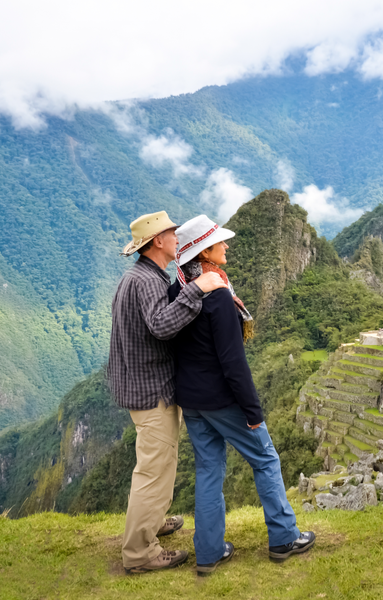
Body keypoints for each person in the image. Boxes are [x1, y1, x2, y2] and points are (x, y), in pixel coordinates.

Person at [168, 215, 315, 576]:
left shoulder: (178, 291)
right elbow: (233, 362)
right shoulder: (217, 297)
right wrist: (253, 410)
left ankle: (209, 551)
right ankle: (283, 537)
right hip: (222, 399)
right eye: (220, 242)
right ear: (204, 253)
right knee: (265, 458)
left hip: (192, 400)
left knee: (208, 470)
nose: (227, 246)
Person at [108, 211, 227, 574]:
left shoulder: (141, 276)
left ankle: (152, 520)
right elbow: (161, 326)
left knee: (157, 465)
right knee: (154, 471)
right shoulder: (146, 281)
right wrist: (197, 289)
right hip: (151, 390)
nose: (177, 239)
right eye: (172, 234)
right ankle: (140, 553)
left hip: (139, 384)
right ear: (157, 241)